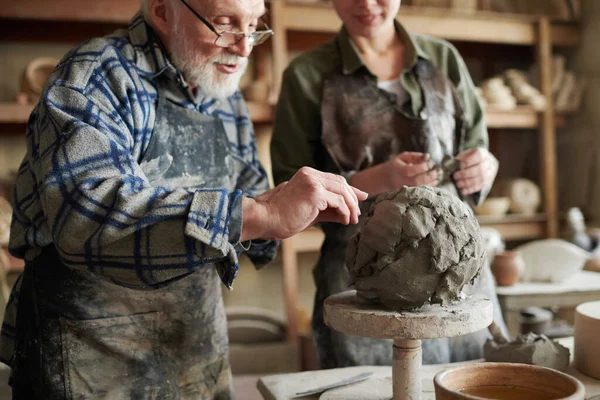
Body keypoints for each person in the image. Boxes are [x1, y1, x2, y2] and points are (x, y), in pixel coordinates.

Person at [0, 0, 368, 398]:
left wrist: (289, 209)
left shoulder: (221, 93)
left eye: (254, 26)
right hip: (88, 355)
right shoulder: (98, 75)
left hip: (193, 350)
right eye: (225, 24)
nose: (244, 47)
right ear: (162, 11)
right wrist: (259, 213)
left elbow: (250, 212)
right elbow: (87, 216)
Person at [270, 0, 507, 369]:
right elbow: (289, 193)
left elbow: (476, 149)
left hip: (457, 266)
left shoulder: (442, 58)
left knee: (467, 380)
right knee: (374, 388)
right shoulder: (306, 74)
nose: (365, 4)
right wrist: (380, 181)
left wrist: (484, 167)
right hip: (367, 268)